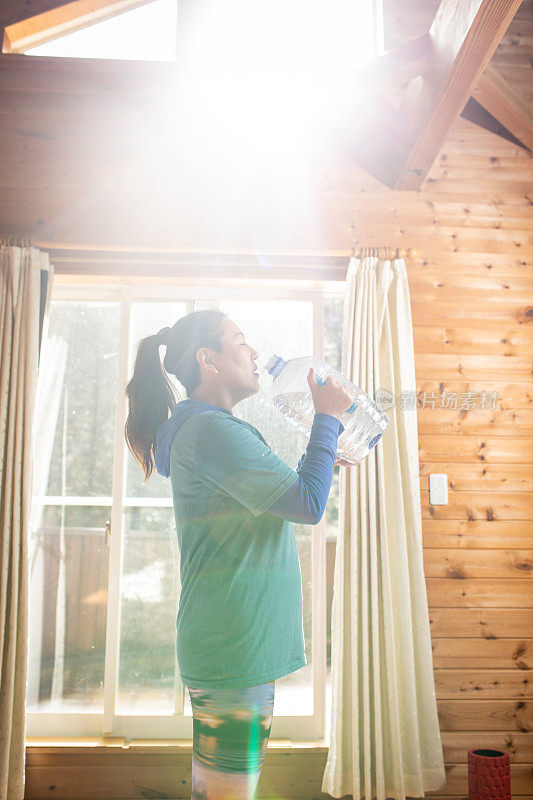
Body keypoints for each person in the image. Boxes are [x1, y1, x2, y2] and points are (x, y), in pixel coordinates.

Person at [124, 308, 353, 800]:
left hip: (232, 641)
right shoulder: (213, 432)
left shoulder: (211, 431)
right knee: (226, 794)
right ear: (208, 359)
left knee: (224, 790)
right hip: (232, 646)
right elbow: (307, 504)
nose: (252, 352)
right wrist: (328, 418)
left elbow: (288, 492)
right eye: (240, 340)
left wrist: (326, 447)